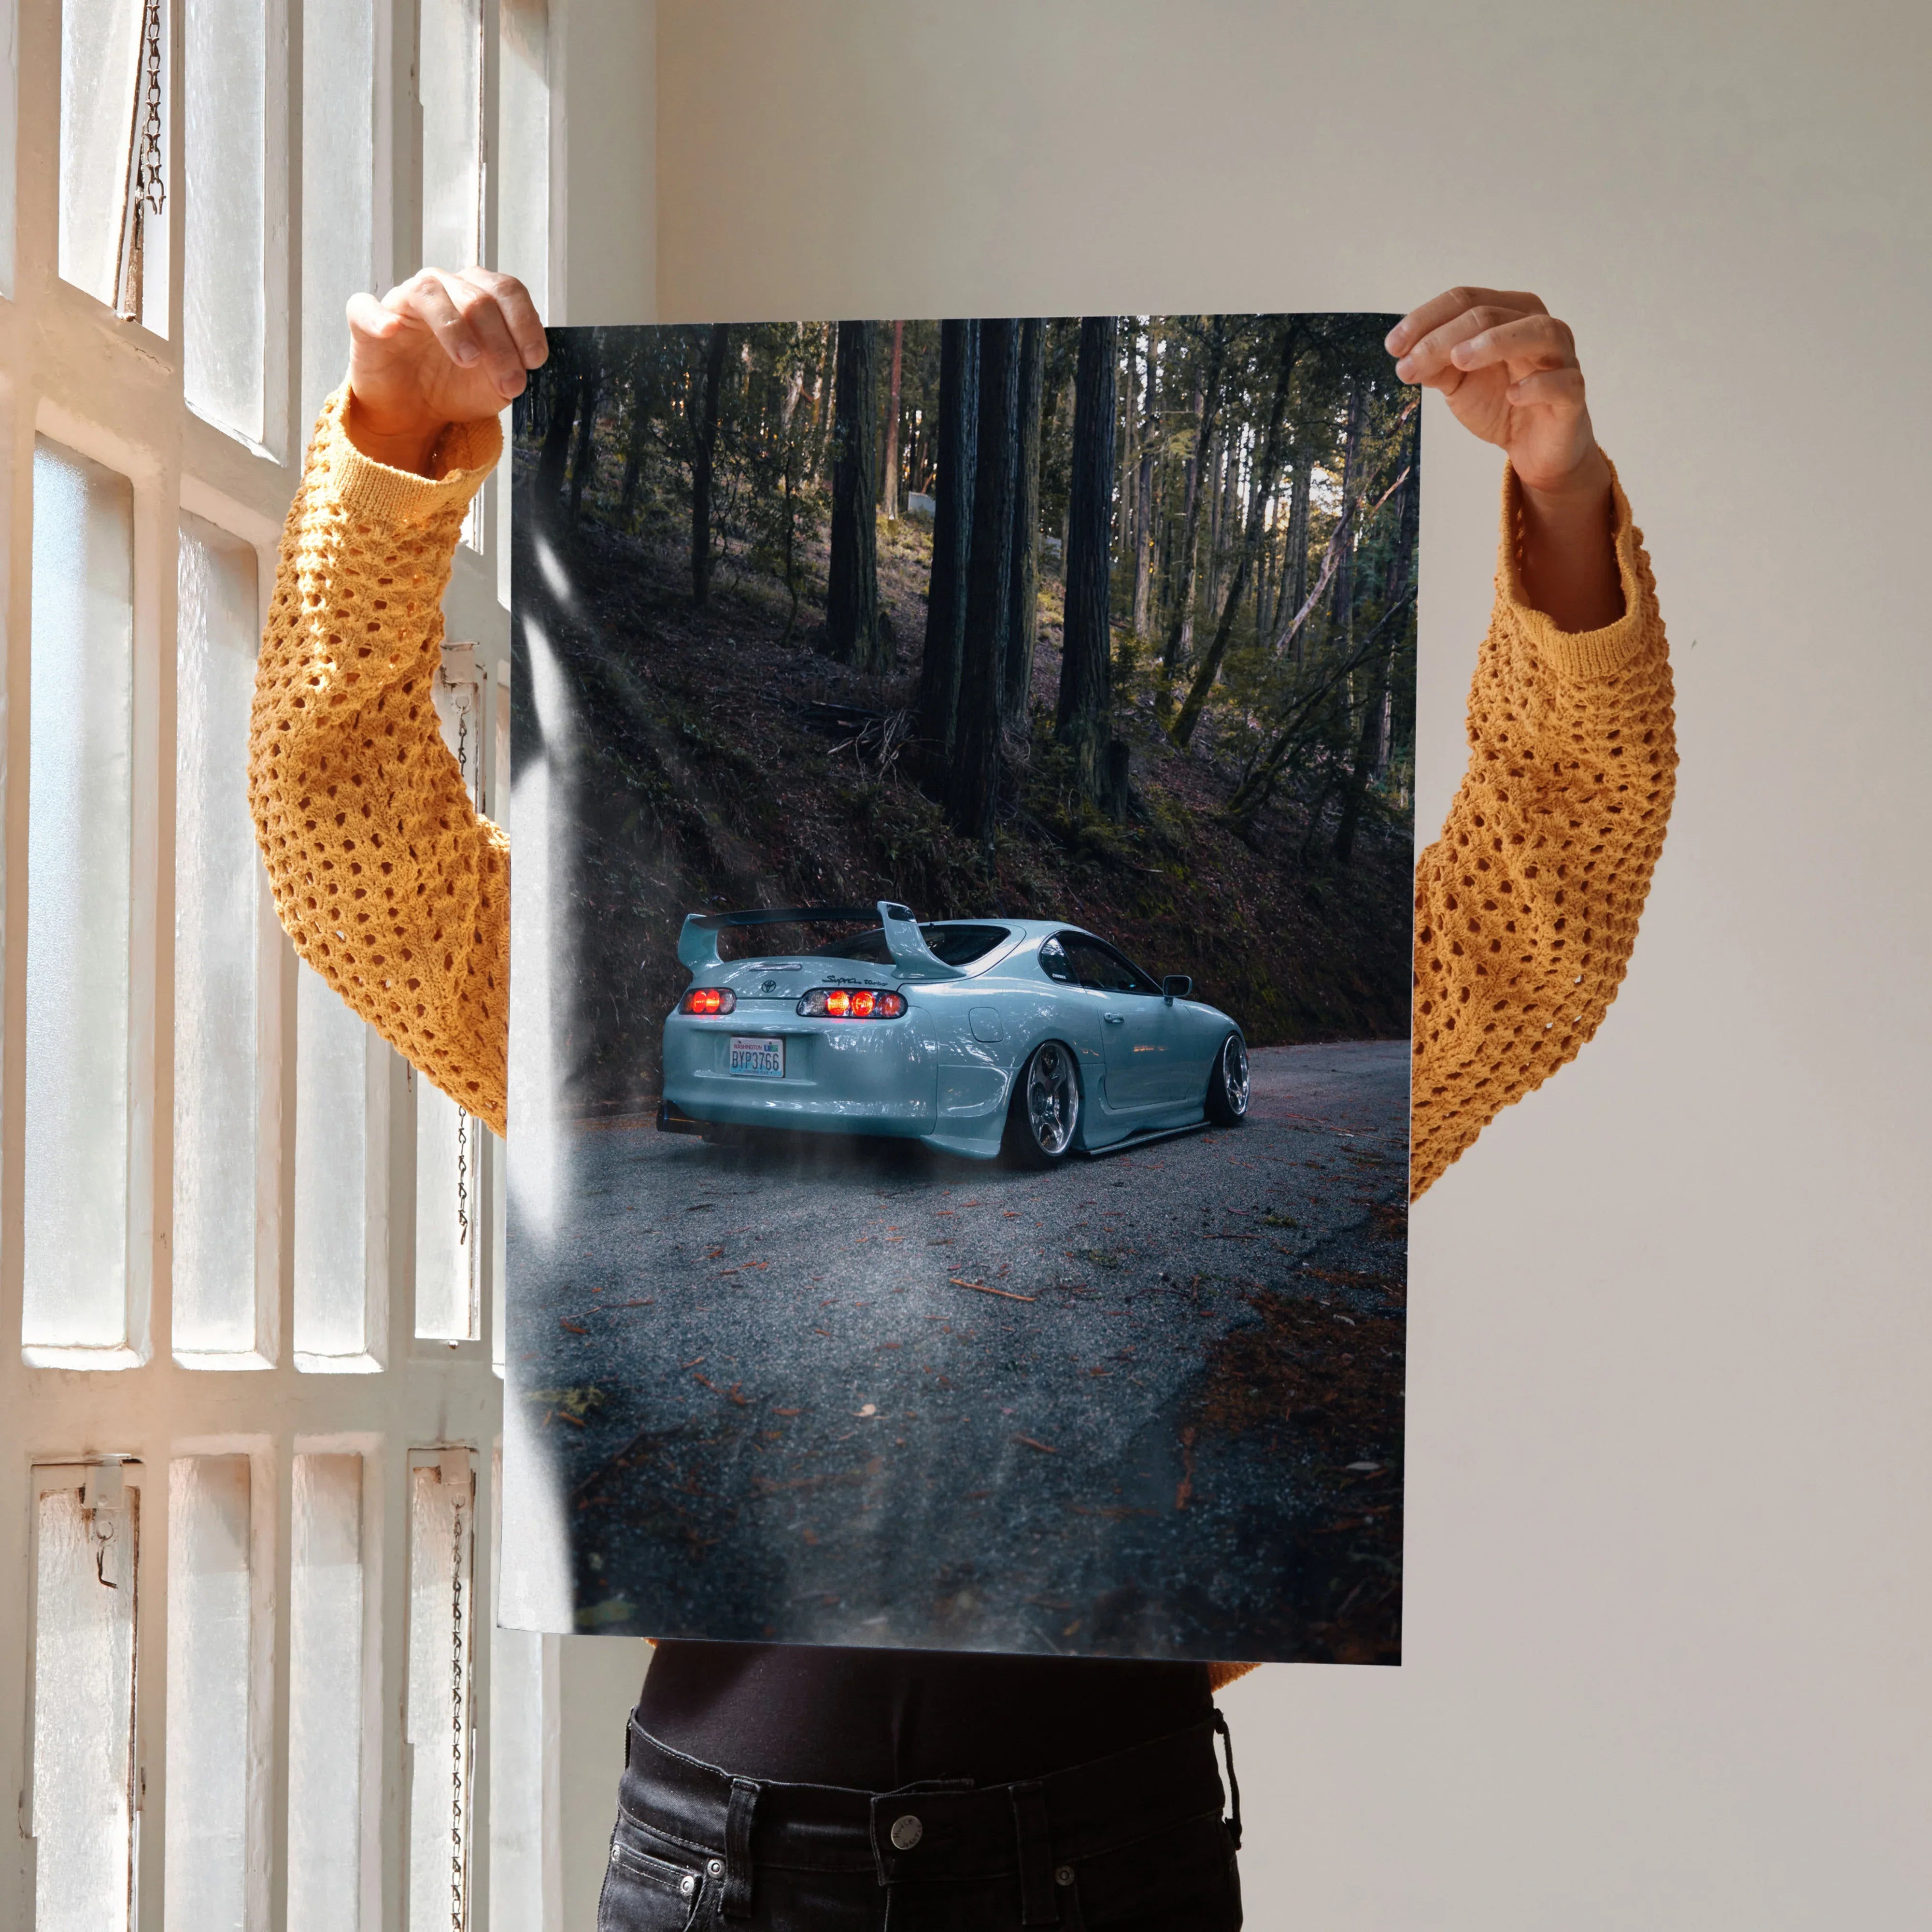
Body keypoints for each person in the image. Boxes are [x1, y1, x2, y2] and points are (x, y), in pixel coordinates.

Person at [250, 270, 1675, 1930]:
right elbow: (347, 840)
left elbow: (1540, 914)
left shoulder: (720, 1033)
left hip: (1073, 1852)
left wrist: (1560, 495)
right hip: (746, 1865)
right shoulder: (625, 1032)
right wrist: (391, 443)